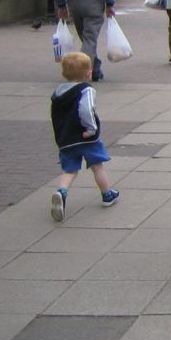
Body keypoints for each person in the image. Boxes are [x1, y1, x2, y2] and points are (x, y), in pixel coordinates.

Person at [49, 51, 119, 221]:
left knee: (70, 170)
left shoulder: (57, 92)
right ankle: (107, 194)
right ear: (88, 73)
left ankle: (61, 191)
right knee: (97, 166)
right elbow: (86, 110)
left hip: (66, 139)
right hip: (86, 137)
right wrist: (92, 128)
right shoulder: (86, 90)